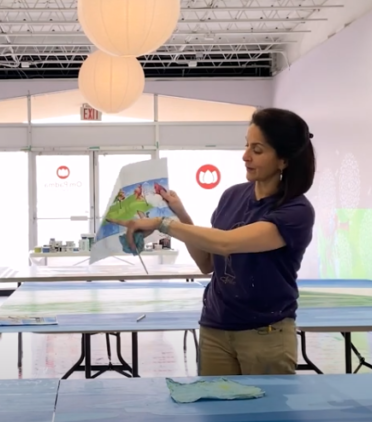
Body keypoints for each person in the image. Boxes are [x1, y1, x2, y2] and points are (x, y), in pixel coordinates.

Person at [113, 108, 315, 376]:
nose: (245, 156)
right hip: (215, 327)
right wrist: (180, 214)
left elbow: (226, 243)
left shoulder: (295, 212)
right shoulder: (232, 196)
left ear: (284, 160)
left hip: (265, 333)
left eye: (257, 150)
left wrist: (164, 224)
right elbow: (207, 263)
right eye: (246, 145)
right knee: (215, 413)